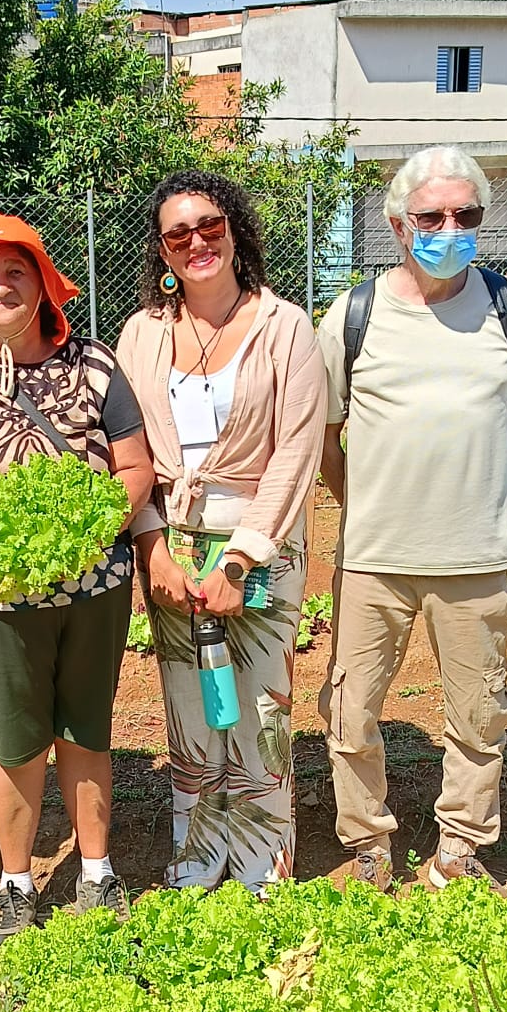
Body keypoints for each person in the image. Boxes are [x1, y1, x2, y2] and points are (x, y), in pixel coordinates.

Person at [0, 213, 153, 959]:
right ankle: (16, 885)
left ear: (43, 283)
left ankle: (97, 872)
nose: (1, 284)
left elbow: (135, 468)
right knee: (17, 744)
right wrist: (4, 548)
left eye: (15, 270)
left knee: (86, 730)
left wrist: (87, 530)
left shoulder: (98, 366)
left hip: (96, 587)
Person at [317, 145, 507, 889]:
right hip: (373, 556)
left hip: (475, 557)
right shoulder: (354, 313)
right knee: (351, 710)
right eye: (431, 216)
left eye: (465, 215)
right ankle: (367, 843)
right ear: (397, 223)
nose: (448, 228)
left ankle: (459, 847)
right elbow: (325, 434)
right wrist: (365, 500)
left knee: (480, 712)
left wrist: (481, 494)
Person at [117, 172, 327, 891]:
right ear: (163, 252)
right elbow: (129, 455)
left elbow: (296, 453)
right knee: (192, 709)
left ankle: (264, 865)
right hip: (172, 547)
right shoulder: (142, 335)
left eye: (210, 226)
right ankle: (199, 856)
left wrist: (239, 562)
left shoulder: (284, 327)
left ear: (235, 230)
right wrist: (151, 546)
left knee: (261, 708)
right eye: (179, 234)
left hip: (260, 547)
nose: (197, 242)